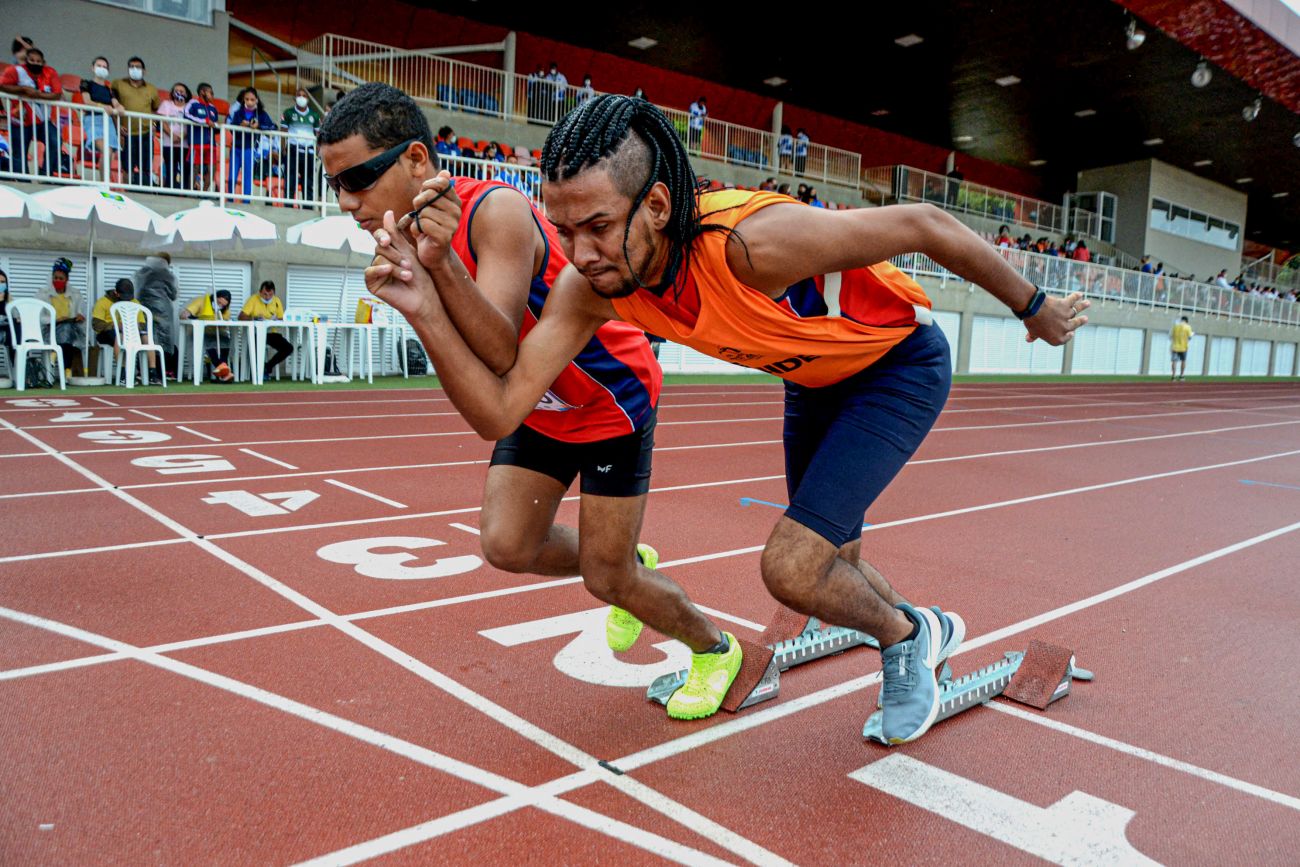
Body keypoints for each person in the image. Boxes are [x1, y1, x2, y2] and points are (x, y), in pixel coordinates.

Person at [368, 95, 1089, 743]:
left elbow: (925, 224)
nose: (578, 254)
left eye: (596, 226)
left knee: (792, 569)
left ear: (654, 205)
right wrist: (426, 303)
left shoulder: (749, 245)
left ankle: (912, 633)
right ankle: (894, 615)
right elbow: (501, 407)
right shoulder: (590, 288)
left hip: (895, 370)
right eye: (562, 229)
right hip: (808, 382)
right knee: (833, 566)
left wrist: (1035, 308)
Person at [326, 83, 738, 720]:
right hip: (537, 402)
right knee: (506, 546)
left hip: (608, 396)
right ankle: (624, 554)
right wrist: (422, 298)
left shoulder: (494, 210)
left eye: (358, 178)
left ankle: (715, 648)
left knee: (609, 579)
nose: (349, 201)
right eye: (337, 186)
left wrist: (436, 279)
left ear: (414, 160)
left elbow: (497, 349)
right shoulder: (404, 229)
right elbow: (490, 380)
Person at [0, 46, 62, 177]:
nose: (35, 63)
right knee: (19, 152)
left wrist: (36, 94)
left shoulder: (50, 72)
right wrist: (22, 89)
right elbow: (2, 85)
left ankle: (45, 174)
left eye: (38, 61)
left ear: (43, 62)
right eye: (32, 60)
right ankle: (23, 180)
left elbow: (57, 94)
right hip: (20, 120)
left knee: (55, 141)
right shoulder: (16, 70)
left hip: (43, 120)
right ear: (26, 60)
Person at [113, 56, 161, 187]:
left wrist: (154, 124)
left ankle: (143, 189)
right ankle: (127, 190)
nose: (135, 69)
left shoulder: (151, 88)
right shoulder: (118, 84)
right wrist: (117, 126)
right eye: (132, 67)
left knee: (145, 165)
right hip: (126, 133)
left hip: (145, 133)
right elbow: (112, 105)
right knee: (127, 165)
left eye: (138, 67)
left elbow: (156, 110)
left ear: (144, 71)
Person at [133, 252, 178, 383]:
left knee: (145, 339)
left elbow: (136, 291)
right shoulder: (168, 275)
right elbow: (173, 294)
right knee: (163, 342)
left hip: (142, 308)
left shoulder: (141, 273)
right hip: (162, 310)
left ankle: (142, 371)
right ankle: (160, 372)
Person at [227, 87, 275, 200]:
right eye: (247, 99)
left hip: (250, 148)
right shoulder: (238, 113)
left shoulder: (261, 114)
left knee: (247, 177)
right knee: (232, 177)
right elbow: (231, 128)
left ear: (256, 100)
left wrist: (259, 126)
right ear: (243, 100)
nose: (249, 102)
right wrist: (240, 125)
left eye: (252, 99)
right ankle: (229, 199)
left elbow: (272, 126)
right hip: (236, 147)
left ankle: (246, 201)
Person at [40, 258, 86, 377]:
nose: (57, 281)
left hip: (72, 330)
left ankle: (57, 357)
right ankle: (67, 369)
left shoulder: (75, 294)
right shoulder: (43, 293)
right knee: (65, 329)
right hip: (49, 331)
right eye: (55, 278)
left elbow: (82, 311)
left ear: (67, 280)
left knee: (67, 328)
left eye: (61, 279)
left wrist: (80, 316)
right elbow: (39, 317)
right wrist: (55, 320)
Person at [239, 280, 293, 378]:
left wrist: (276, 319)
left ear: (274, 293)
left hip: (271, 333)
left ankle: (268, 366)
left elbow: (282, 319)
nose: (267, 297)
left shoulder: (277, 301)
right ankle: (256, 373)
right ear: (260, 292)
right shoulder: (253, 299)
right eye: (265, 294)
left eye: (270, 294)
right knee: (255, 346)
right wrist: (254, 318)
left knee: (288, 348)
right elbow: (241, 316)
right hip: (256, 332)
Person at [79, 57, 123, 173]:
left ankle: (104, 182)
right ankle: (104, 184)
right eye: (99, 66)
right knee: (106, 151)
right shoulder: (86, 83)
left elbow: (116, 103)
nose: (102, 69)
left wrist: (119, 108)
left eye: (104, 67)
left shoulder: (110, 89)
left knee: (109, 154)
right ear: (92, 68)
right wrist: (102, 106)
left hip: (107, 122)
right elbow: (87, 101)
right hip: (93, 120)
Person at [180, 288, 234, 381]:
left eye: (222, 305)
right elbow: (184, 314)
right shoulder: (201, 301)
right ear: (215, 297)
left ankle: (223, 371)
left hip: (216, 332)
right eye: (218, 303)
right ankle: (225, 372)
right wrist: (191, 316)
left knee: (225, 340)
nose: (220, 306)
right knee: (209, 342)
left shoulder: (225, 309)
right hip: (199, 332)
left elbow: (225, 321)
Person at [89, 276, 139, 377]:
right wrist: (115, 325)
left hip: (128, 332)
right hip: (106, 333)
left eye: (129, 299)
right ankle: (123, 371)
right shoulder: (102, 302)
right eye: (124, 298)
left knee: (141, 337)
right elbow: (96, 325)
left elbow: (142, 324)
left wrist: (132, 326)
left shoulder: (134, 302)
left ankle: (143, 372)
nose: (126, 301)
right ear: (116, 293)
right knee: (119, 336)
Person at [282, 87, 322, 205]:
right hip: (293, 150)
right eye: (299, 95)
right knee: (290, 179)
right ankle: (287, 206)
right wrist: (283, 148)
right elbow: (283, 131)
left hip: (308, 152)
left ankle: (307, 207)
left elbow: (318, 134)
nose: (301, 98)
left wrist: (317, 151)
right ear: (295, 98)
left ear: (308, 99)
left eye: (304, 96)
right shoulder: (288, 113)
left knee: (308, 182)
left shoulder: (314, 116)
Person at [184, 82, 220, 191]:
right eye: (211, 93)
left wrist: (215, 125)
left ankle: (204, 192)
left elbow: (215, 123)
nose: (213, 96)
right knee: (195, 168)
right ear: (202, 92)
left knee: (212, 169)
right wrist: (204, 121)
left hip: (211, 144)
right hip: (196, 143)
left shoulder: (213, 108)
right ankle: (190, 192)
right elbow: (186, 115)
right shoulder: (193, 103)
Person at [157, 82, 191, 190]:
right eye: (177, 91)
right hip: (168, 143)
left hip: (185, 145)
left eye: (182, 91)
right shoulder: (166, 104)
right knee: (170, 169)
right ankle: (169, 191)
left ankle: (185, 191)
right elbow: (163, 122)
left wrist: (181, 136)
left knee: (186, 170)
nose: (179, 93)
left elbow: (191, 124)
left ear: (186, 93)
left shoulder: (190, 107)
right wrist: (172, 135)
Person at [1170, 316, 1193, 381]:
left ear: (1181, 320)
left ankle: (1173, 376)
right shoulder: (1188, 327)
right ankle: (1181, 376)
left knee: (1174, 361)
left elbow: (1171, 336)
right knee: (1183, 361)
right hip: (1183, 347)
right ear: (1186, 321)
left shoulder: (1175, 326)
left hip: (1175, 346)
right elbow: (1190, 337)